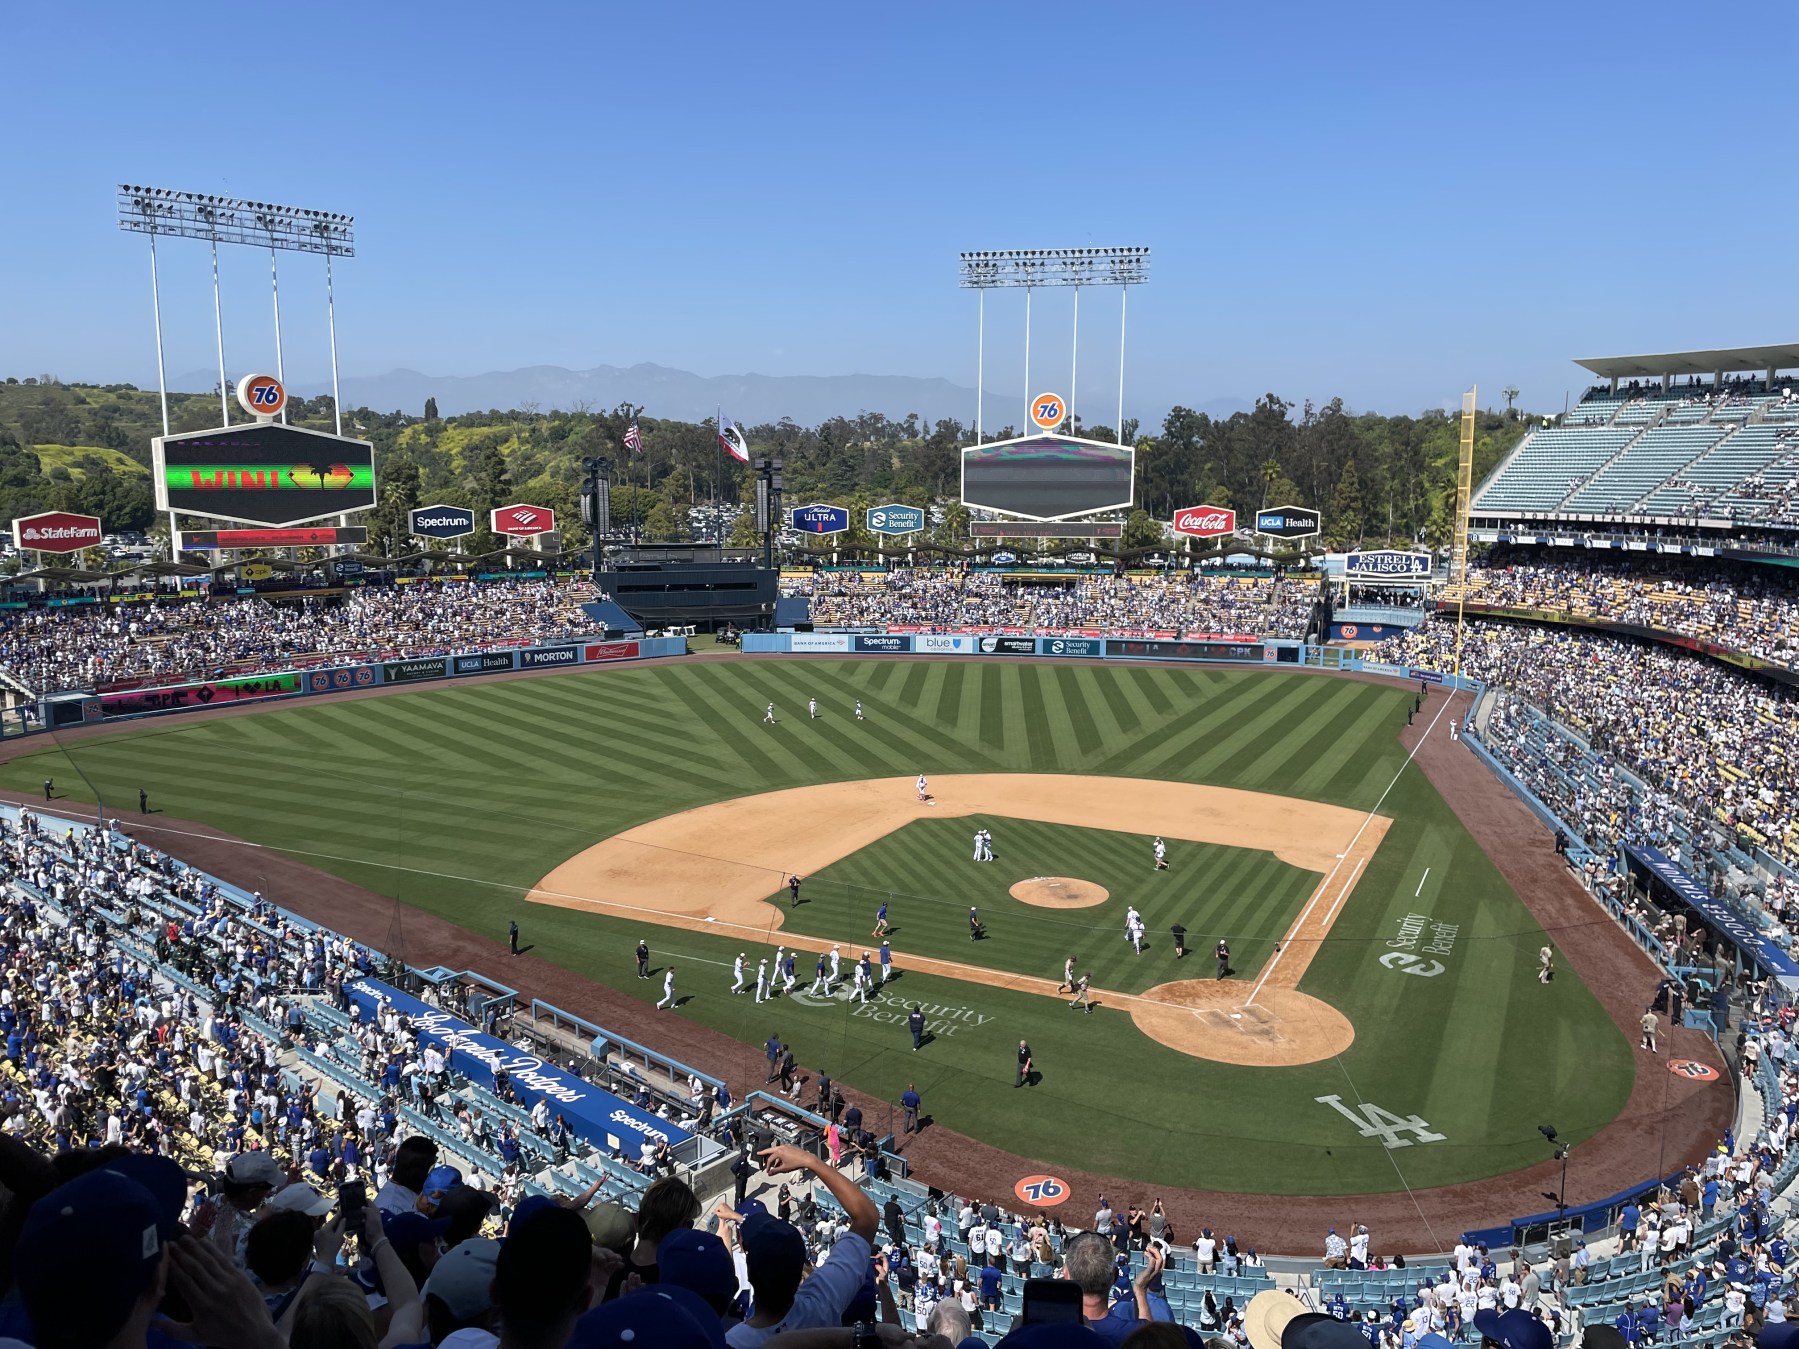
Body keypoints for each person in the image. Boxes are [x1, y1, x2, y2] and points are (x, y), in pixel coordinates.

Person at [722, 1144, 879, 1347]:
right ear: (799, 1273)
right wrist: (811, 1161)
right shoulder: (822, 1303)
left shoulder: (730, 1341)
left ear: (749, 1271)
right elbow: (868, 1218)